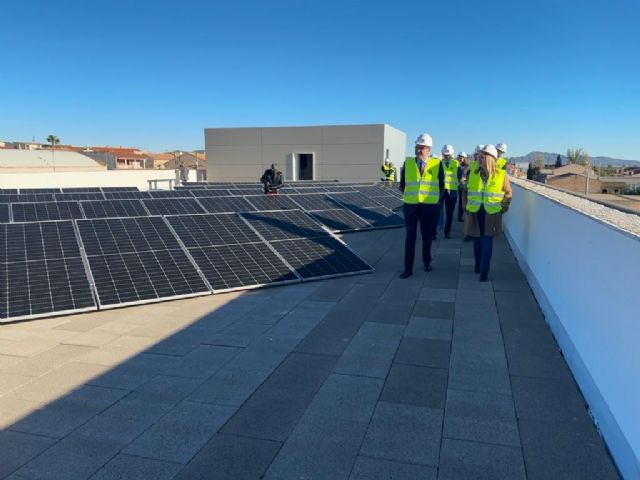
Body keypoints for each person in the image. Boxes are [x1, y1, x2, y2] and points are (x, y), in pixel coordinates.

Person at [463, 144, 513, 282]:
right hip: (475, 212)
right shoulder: (474, 172)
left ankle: (484, 271)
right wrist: (465, 206)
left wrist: (502, 209)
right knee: (476, 241)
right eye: (478, 157)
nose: (479, 159)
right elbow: (466, 190)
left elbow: (508, 194)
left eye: (482, 157)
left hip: (491, 214)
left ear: (491, 158)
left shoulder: (501, 175)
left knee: (487, 242)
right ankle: (478, 264)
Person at [398, 132, 444, 278]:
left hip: (429, 206)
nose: (418, 150)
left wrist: (436, 200)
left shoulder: (437, 164)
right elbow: (403, 184)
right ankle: (408, 268)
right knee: (410, 237)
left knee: (427, 236)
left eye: (422, 148)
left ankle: (426, 262)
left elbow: (442, 185)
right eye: (417, 147)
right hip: (411, 205)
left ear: (428, 149)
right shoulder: (408, 163)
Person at [438, 144, 462, 239]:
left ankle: (446, 232)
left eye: (448, 155)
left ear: (451, 155)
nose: (447, 156)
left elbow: (459, 176)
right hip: (441, 190)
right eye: (445, 155)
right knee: (437, 212)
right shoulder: (439, 164)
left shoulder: (456, 164)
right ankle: (434, 232)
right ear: (443, 154)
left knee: (450, 213)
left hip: (452, 191)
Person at [457, 152, 469, 222]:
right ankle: (460, 217)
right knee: (460, 202)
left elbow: (468, 176)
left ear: (464, 158)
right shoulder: (457, 165)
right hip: (459, 186)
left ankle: (465, 216)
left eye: (461, 157)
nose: (460, 158)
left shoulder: (467, 167)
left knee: (465, 201)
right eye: (459, 157)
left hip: (465, 186)